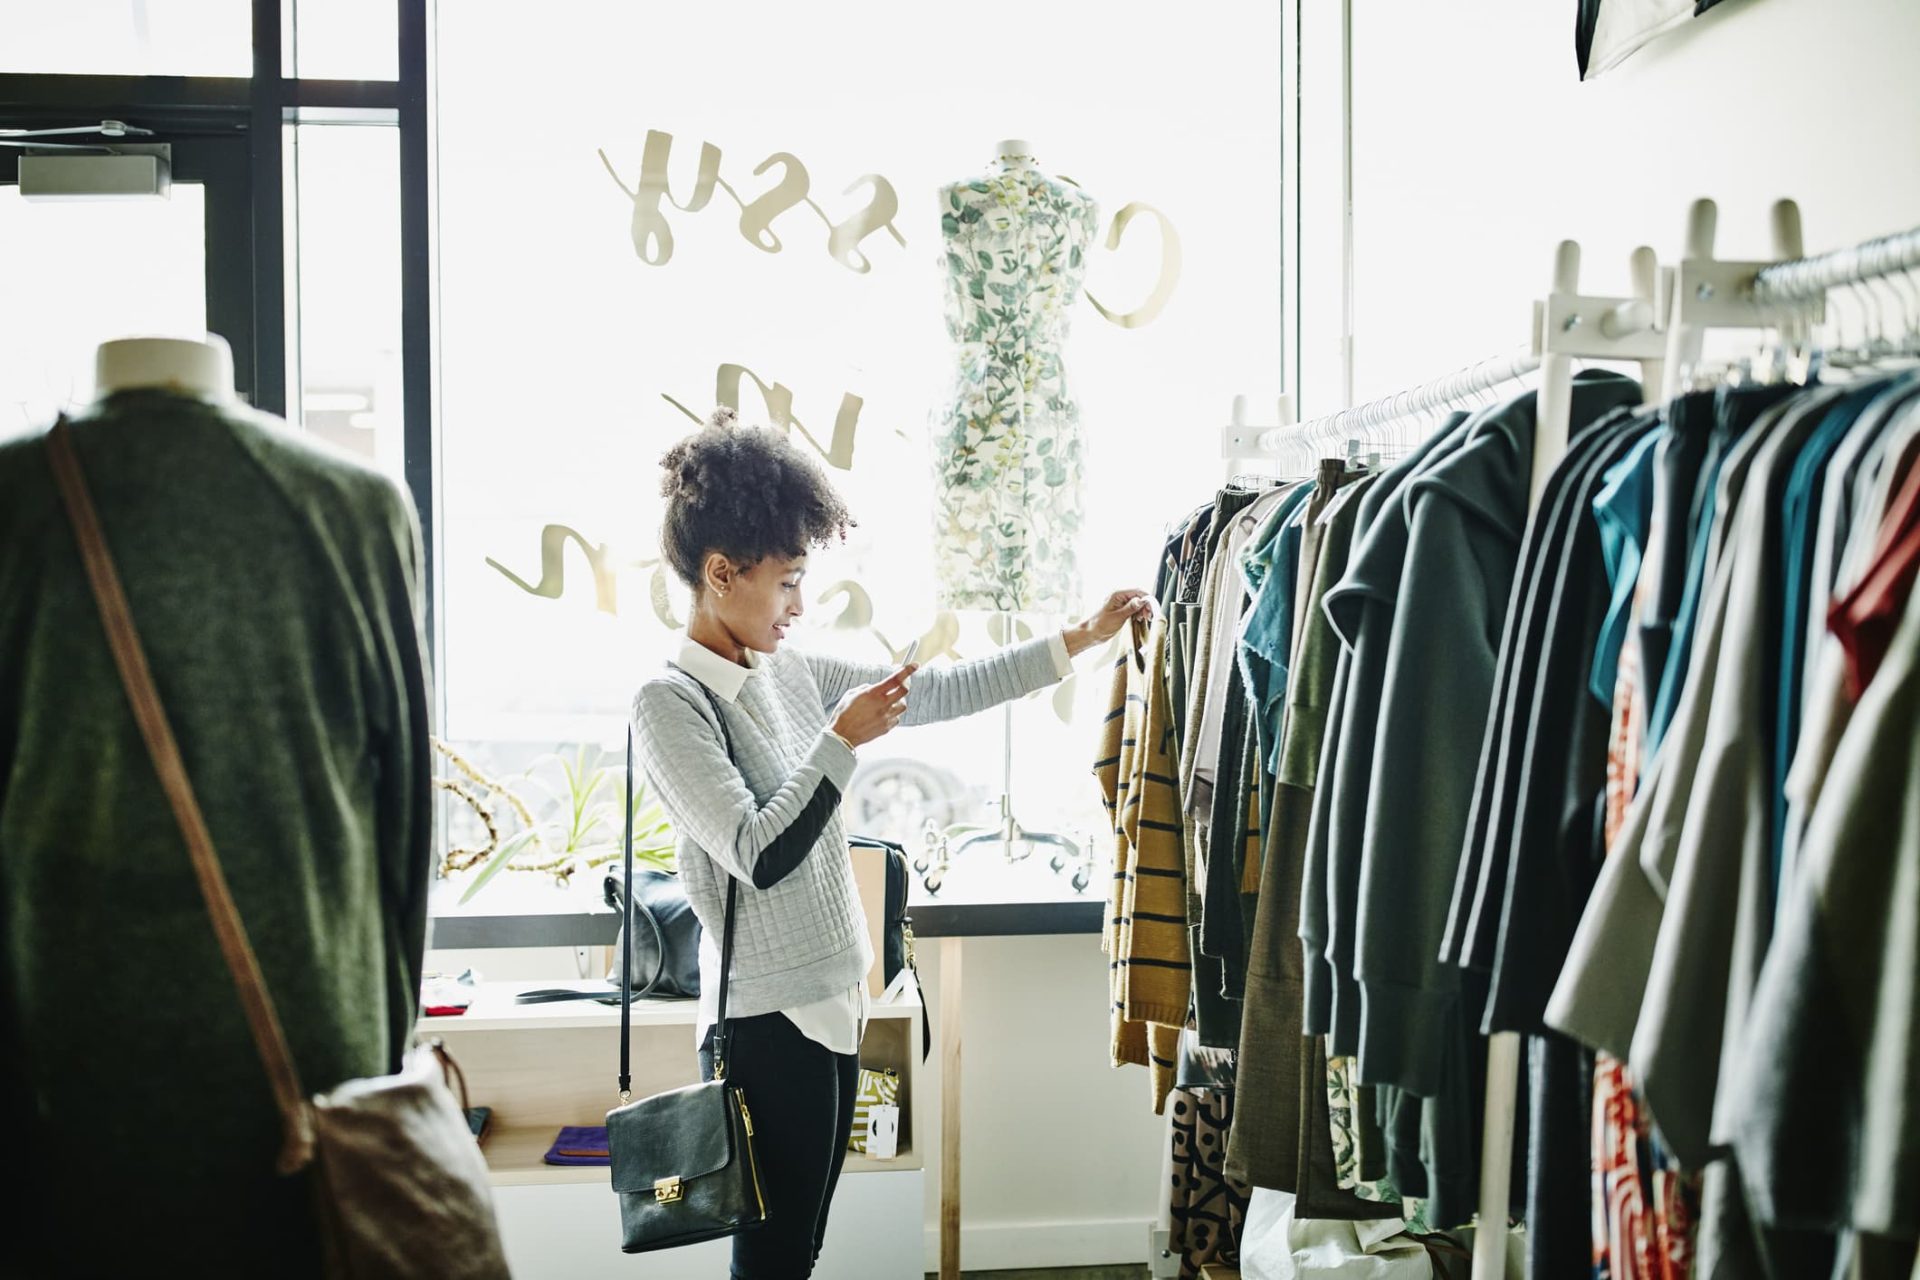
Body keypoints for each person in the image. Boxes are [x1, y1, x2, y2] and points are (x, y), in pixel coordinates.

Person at [631, 406, 1149, 1278]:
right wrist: (840, 741)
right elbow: (758, 853)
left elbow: (938, 691)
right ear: (722, 573)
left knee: (804, 1242)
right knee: (774, 1257)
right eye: (786, 580)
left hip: (838, 1002)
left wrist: (1079, 639)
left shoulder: (784, 671)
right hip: (766, 1025)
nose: (799, 604)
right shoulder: (671, 704)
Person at [0, 384, 432, 1276]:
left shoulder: (18, 498)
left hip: (66, 1075)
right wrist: (385, 1046)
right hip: (318, 1086)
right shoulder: (352, 503)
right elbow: (403, 825)